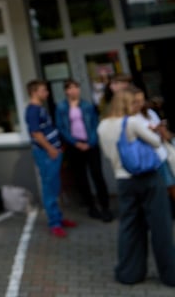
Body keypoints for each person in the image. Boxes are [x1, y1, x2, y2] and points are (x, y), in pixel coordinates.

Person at [97, 89, 175, 287]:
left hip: (123, 180)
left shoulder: (102, 125)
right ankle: (170, 275)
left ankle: (129, 273)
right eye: (135, 103)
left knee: (129, 228)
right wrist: (155, 129)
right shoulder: (132, 122)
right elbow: (157, 142)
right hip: (147, 178)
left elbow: (108, 154)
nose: (138, 106)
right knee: (161, 227)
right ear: (127, 104)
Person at [54, 79, 113, 222]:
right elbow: (61, 128)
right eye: (71, 88)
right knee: (81, 177)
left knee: (97, 174)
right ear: (66, 91)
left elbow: (94, 124)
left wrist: (90, 142)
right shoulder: (61, 107)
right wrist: (76, 143)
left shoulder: (87, 105)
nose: (74, 90)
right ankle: (91, 207)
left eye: (76, 87)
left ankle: (105, 207)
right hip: (74, 146)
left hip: (90, 145)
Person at [24, 79, 76, 237]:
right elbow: (36, 133)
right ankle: (54, 222)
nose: (46, 93)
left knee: (54, 186)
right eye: (43, 90)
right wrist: (50, 149)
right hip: (46, 154)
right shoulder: (32, 110)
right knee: (49, 187)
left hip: (53, 151)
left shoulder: (40, 108)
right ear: (34, 92)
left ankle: (58, 218)